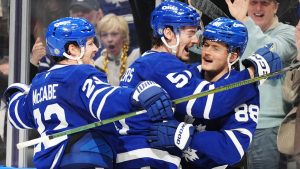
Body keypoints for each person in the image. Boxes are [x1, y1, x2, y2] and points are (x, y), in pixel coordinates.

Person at [114, 1, 282, 168]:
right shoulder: (171, 67)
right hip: (147, 157)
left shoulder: (244, 90)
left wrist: (187, 135)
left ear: (232, 56)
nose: (204, 49)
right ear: (168, 33)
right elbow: (209, 101)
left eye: (215, 47)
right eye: (205, 44)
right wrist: (253, 73)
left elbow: (233, 148)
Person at [3, 17, 174, 169]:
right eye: (90, 43)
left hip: (46, 162)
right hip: (82, 158)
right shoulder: (80, 74)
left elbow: (16, 114)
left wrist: (17, 92)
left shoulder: (39, 83)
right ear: (72, 49)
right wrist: (136, 94)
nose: (95, 49)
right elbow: (103, 100)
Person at [226, 0, 297, 168]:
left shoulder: (289, 33)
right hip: (235, 127)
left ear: (276, 7)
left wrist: (244, 20)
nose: (258, 8)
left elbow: (269, 53)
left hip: (268, 130)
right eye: (253, 2)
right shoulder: (239, 32)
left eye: (264, 3)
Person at [31, 0, 104, 73]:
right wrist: (34, 62)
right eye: (75, 10)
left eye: (85, 11)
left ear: (98, 15)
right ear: (70, 15)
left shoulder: (108, 44)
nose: (79, 14)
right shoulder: (56, 48)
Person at [94, 13, 140, 85]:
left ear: (124, 35)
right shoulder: (97, 65)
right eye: (104, 35)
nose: (109, 39)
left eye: (114, 34)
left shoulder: (138, 56)